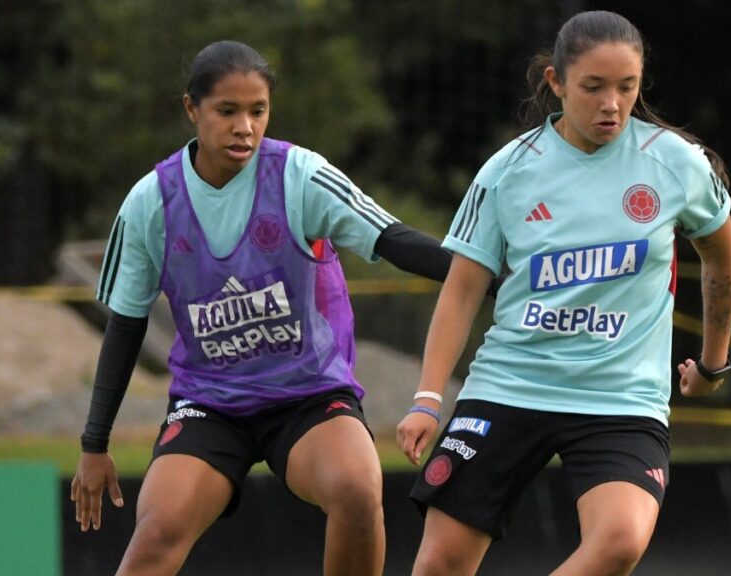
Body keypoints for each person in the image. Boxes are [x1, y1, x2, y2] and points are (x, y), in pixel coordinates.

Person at [70, 40, 463, 576]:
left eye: (257, 111)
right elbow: (126, 324)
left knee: (356, 490)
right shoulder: (149, 202)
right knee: (157, 530)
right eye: (227, 111)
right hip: (211, 405)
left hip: (308, 397)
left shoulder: (300, 175)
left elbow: (394, 239)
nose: (244, 127)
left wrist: (490, 277)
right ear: (192, 109)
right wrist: (95, 444)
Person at [396, 10, 731, 576]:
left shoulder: (676, 163)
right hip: (511, 385)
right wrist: (428, 399)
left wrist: (713, 363)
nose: (612, 104)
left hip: (621, 399)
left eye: (627, 87)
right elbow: (460, 293)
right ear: (555, 82)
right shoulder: (508, 172)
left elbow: (721, 261)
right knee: (439, 565)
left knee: (620, 542)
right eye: (593, 87)